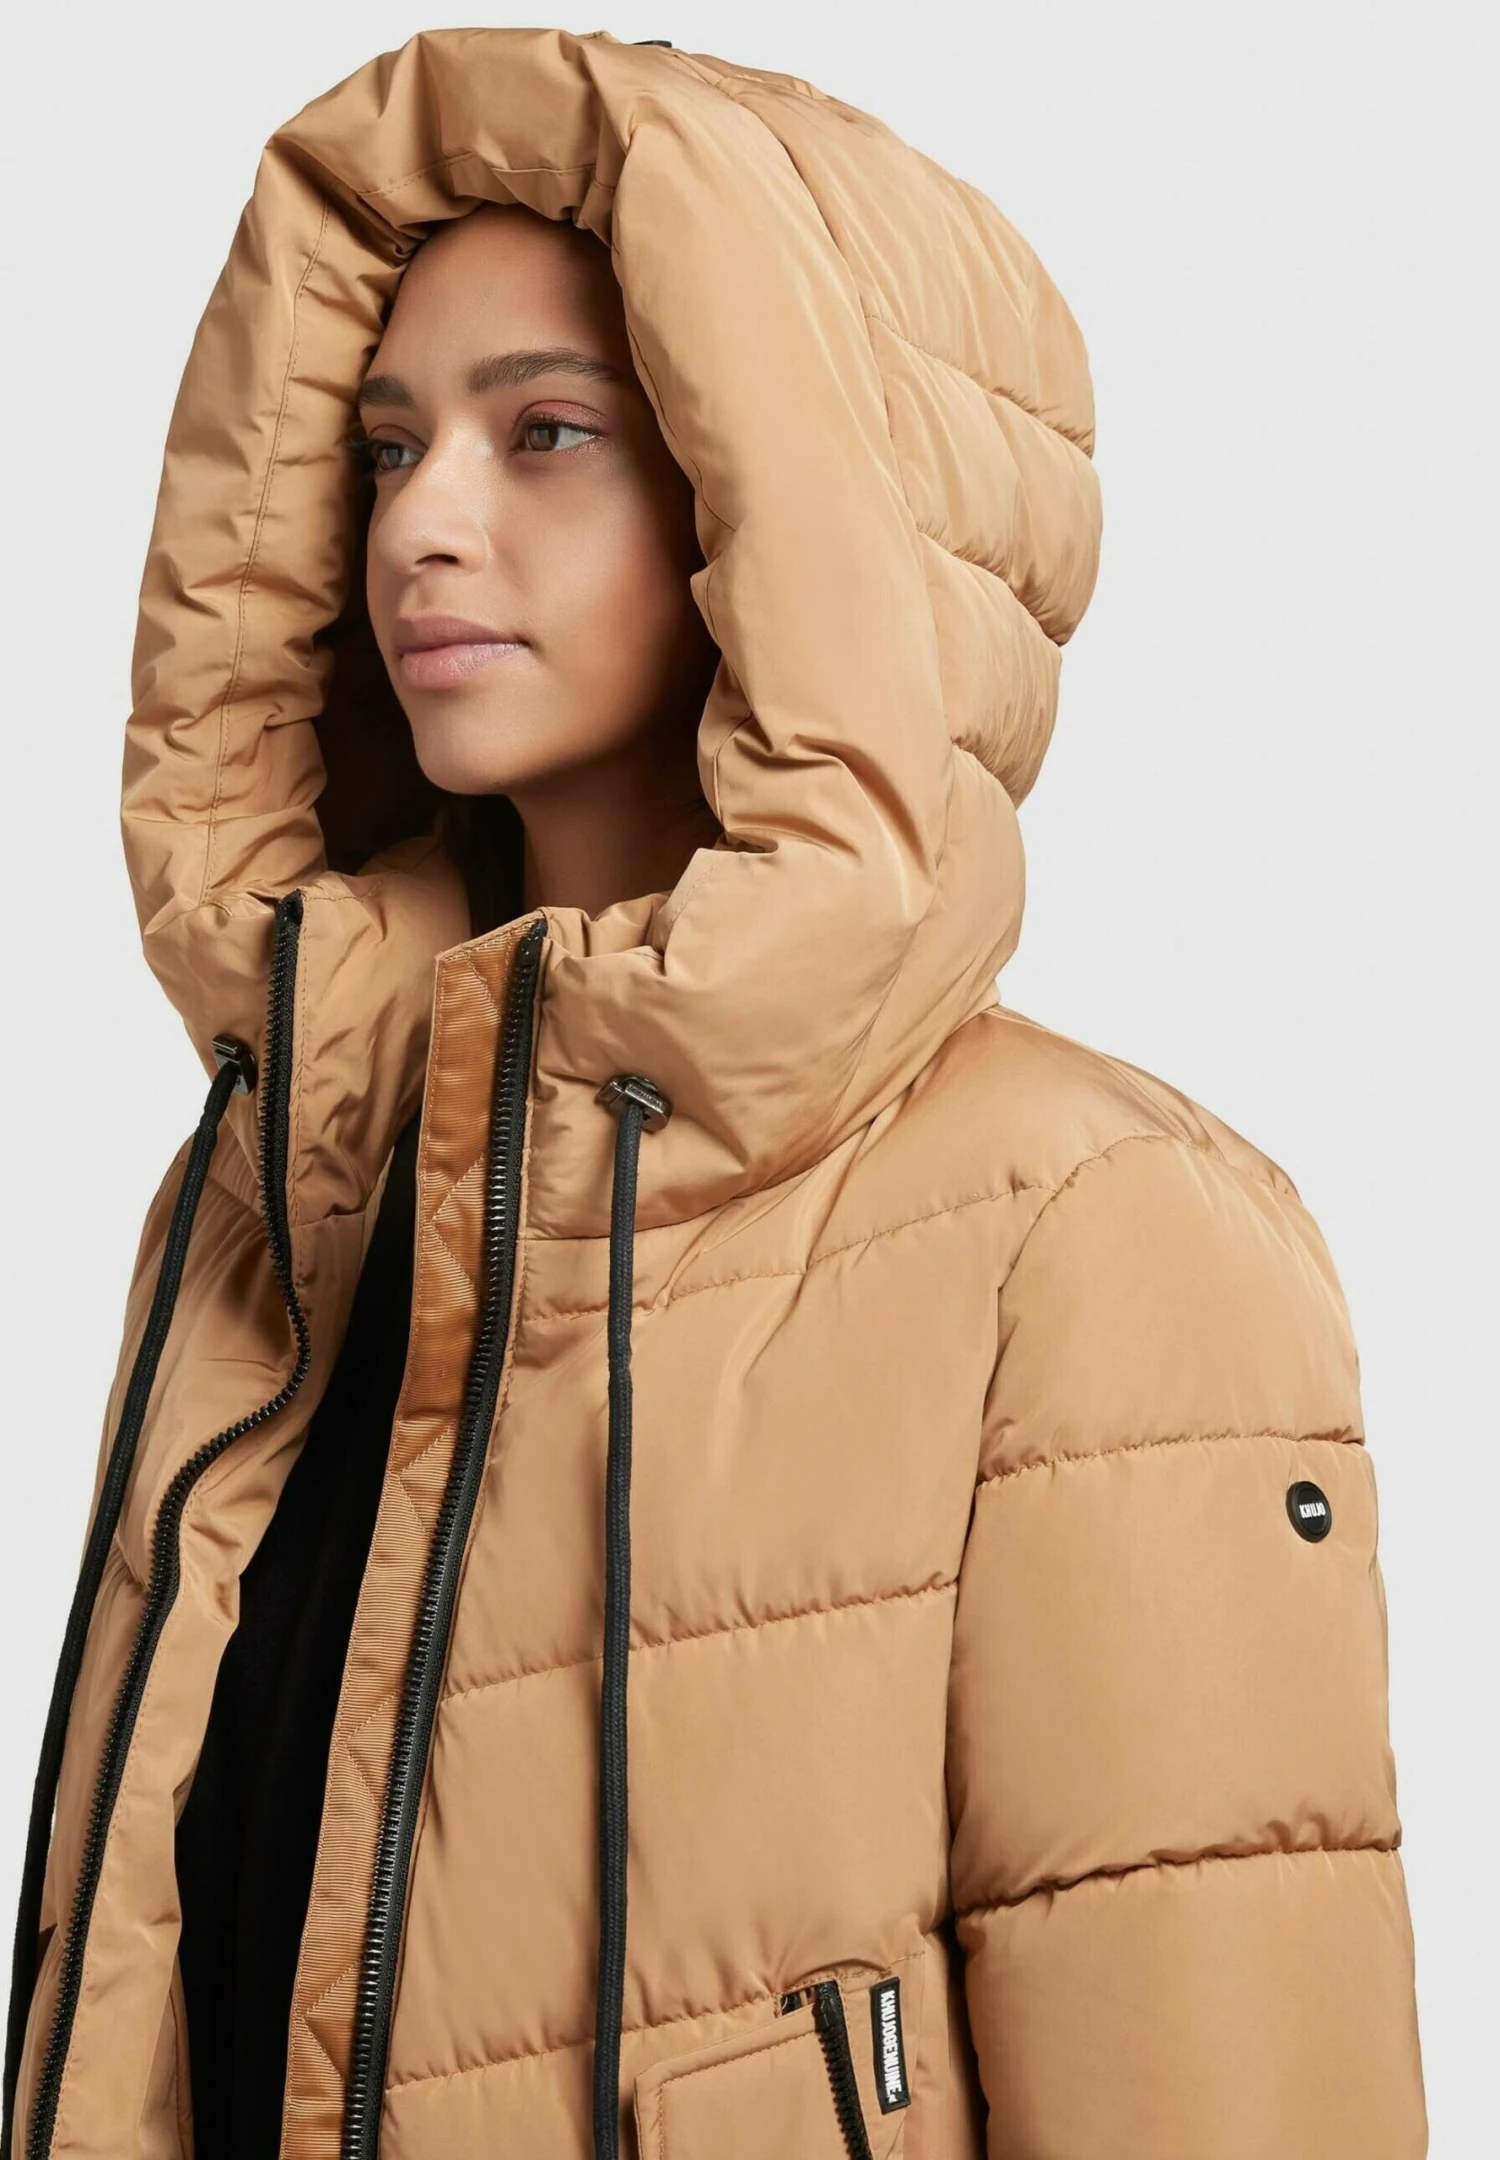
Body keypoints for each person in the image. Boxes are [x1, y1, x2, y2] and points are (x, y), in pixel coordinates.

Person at [3, 26, 1426, 2160]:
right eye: (384, 449)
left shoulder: (1092, 1227)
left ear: (786, 506)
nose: (423, 524)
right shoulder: (270, 1204)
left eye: (546, 432)